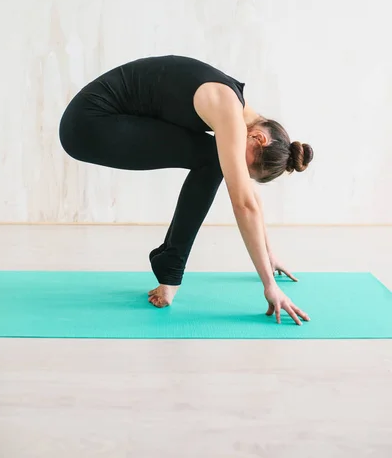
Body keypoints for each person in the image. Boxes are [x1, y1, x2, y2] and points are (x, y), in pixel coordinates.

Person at [59, 55, 313, 325]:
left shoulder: (238, 111)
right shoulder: (229, 111)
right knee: (214, 159)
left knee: (213, 158)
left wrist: (268, 255)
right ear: (259, 139)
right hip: (89, 125)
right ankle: (170, 272)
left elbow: (250, 198)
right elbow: (244, 204)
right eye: (245, 164)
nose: (238, 167)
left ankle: (170, 268)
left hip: (96, 120)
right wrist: (269, 286)